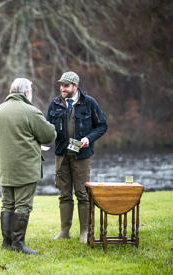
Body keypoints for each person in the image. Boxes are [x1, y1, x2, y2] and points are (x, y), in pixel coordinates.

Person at [0, 78, 56, 254]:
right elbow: (49, 135)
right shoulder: (30, 111)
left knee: (7, 203)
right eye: (30, 91)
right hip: (26, 167)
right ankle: (18, 244)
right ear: (26, 93)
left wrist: (5, 150)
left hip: (6, 167)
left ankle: (7, 243)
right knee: (23, 205)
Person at [46, 71, 107, 243]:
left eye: (66, 85)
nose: (62, 88)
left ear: (75, 86)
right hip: (61, 155)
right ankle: (64, 231)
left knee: (82, 194)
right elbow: (46, 127)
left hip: (82, 156)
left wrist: (89, 138)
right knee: (64, 194)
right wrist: (42, 141)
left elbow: (102, 126)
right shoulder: (55, 104)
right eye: (61, 85)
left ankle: (84, 232)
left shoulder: (89, 103)